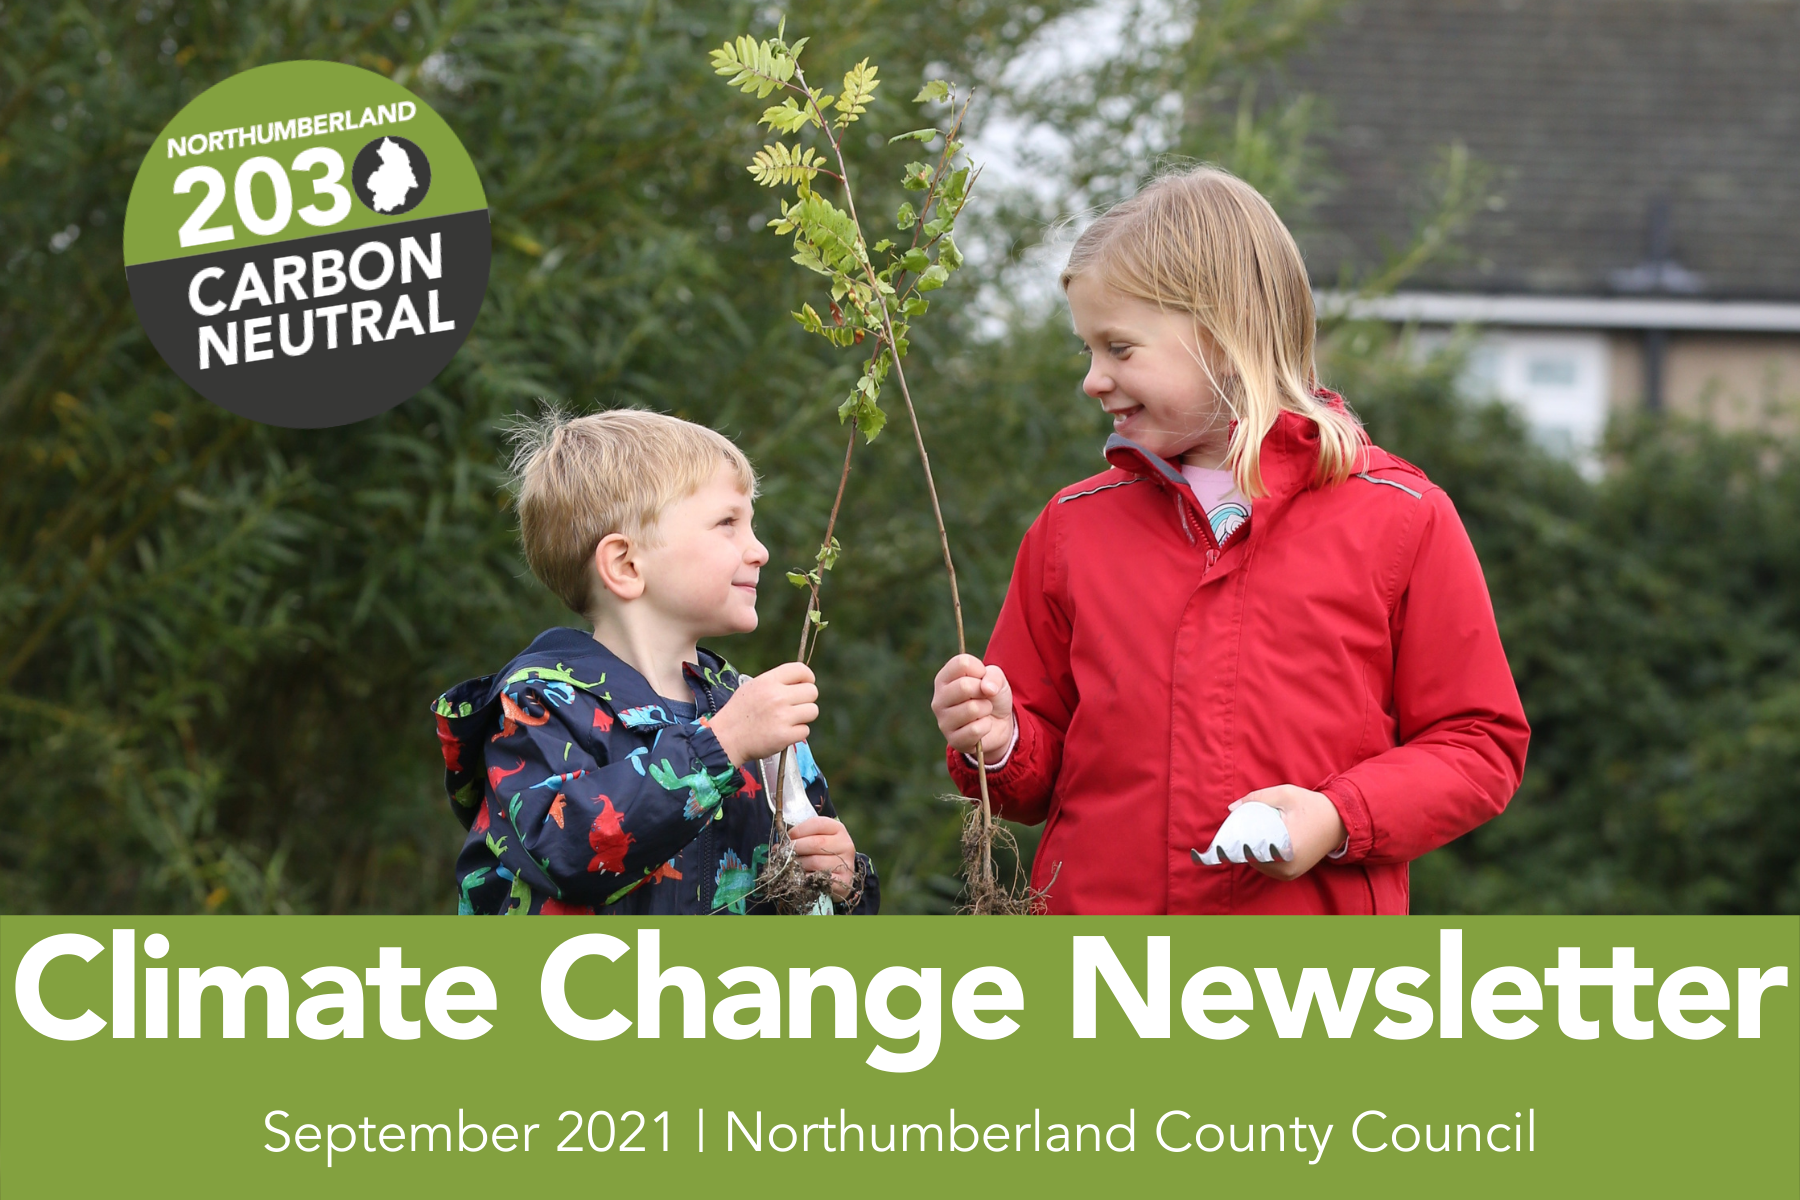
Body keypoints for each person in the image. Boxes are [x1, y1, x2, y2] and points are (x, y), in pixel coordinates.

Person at [930, 166, 1529, 914]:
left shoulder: (1403, 516)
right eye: (1087, 350)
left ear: (1221, 338)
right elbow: (1037, 772)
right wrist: (998, 739)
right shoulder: (1072, 528)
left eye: (1119, 348)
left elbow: (1478, 745)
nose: (1092, 378)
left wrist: (1337, 816)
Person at [432, 409, 878, 915]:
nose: (761, 551)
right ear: (625, 565)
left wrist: (845, 885)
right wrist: (722, 745)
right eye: (728, 523)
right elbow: (567, 849)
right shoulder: (541, 705)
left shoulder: (749, 710)